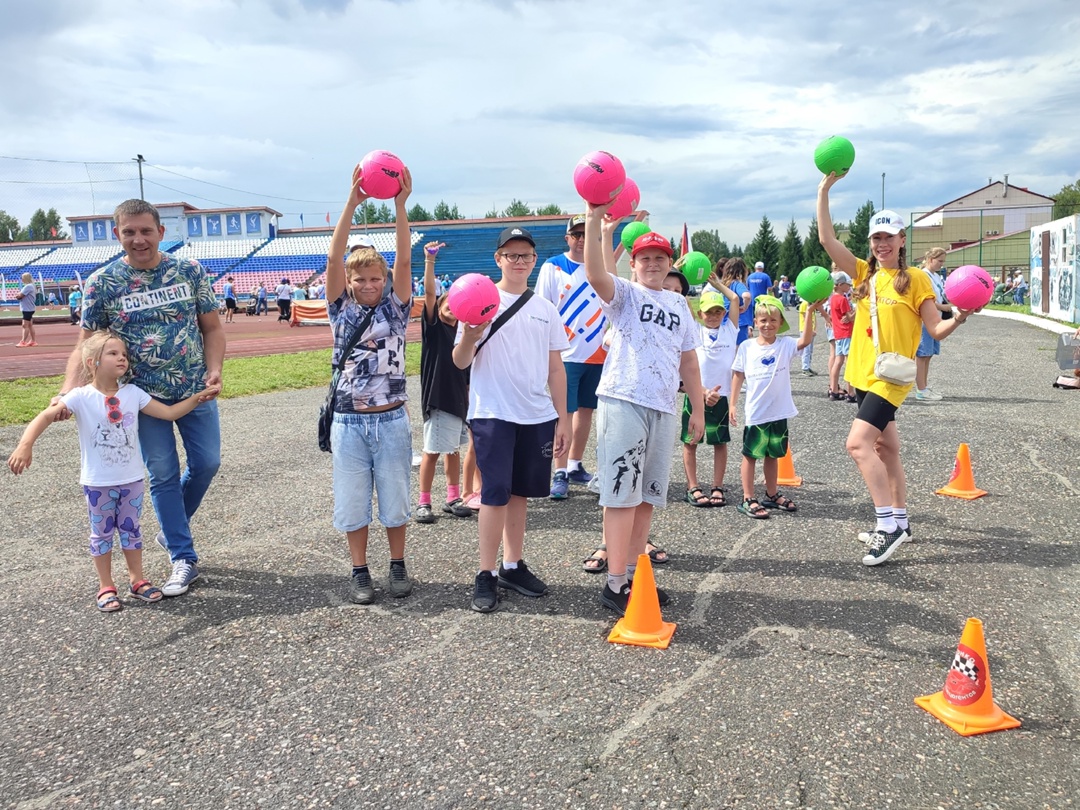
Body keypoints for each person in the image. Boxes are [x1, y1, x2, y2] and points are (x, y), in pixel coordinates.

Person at [56, 198, 225, 597]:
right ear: (117, 234)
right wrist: (67, 391)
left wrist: (215, 367)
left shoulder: (190, 271)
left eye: (146, 231)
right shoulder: (102, 283)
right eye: (129, 231)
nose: (138, 239)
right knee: (163, 474)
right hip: (140, 401)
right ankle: (184, 557)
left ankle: (172, 529)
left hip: (194, 391)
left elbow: (212, 329)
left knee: (207, 463)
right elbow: (86, 346)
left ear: (161, 233)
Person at [817, 172, 973, 566]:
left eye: (889, 237)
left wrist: (959, 318)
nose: (881, 244)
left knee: (857, 444)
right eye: (876, 238)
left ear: (903, 239)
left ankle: (885, 526)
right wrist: (823, 190)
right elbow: (826, 240)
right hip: (863, 375)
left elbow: (935, 327)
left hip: (891, 378)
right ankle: (901, 521)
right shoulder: (864, 275)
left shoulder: (916, 279)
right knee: (887, 448)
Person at [8, 332, 220, 612]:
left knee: (132, 531)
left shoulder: (133, 393)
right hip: (98, 483)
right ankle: (106, 585)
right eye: (113, 354)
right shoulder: (80, 396)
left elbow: (168, 414)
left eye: (124, 354)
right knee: (102, 534)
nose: (122, 358)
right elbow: (46, 416)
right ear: (92, 361)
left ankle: (137, 580)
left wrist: (197, 398)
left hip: (131, 480)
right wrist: (25, 445)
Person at [581, 205, 704, 616]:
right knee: (620, 497)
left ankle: (634, 574)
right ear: (633, 265)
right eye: (645, 258)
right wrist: (597, 222)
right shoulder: (626, 295)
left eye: (660, 258)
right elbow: (595, 274)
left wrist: (697, 409)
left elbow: (689, 360)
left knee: (647, 496)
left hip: (664, 407)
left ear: (670, 263)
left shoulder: (680, 305)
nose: (653, 264)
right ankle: (614, 582)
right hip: (624, 400)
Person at [452, 226, 569, 613]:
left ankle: (512, 565)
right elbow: (461, 361)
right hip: (493, 413)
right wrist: (470, 335)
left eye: (526, 256)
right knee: (494, 494)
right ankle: (485, 573)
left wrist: (563, 418)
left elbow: (556, 368)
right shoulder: (479, 301)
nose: (519, 262)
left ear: (535, 261)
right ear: (498, 259)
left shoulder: (545, 309)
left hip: (536, 413)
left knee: (520, 494)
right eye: (511, 255)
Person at [326, 163, 415, 605]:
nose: (368, 284)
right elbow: (332, 257)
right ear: (348, 281)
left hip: (391, 418)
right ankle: (360, 570)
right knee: (352, 499)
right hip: (348, 421)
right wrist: (352, 203)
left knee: (396, 498)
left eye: (375, 278)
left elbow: (404, 257)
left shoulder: (397, 309)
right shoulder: (339, 308)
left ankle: (397, 564)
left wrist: (400, 206)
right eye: (359, 279)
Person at [535, 214, 607, 500]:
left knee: (586, 411)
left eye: (586, 234)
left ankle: (575, 464)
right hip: (565, 354)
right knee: (563, 414)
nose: (581, 240)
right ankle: (559, 470)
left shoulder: (599, 267)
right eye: (576, 235)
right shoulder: (553, 267)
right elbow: (543, 308)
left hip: (598, 353)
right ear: (567, 238)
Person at [729, 295, 819, 519]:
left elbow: (805, 340)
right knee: (750, 456)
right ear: (755, 323)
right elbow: (738, 375)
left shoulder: (786, 345)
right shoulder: (747, 347)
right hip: (756, 413)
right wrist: (732, 403)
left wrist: (808, 313)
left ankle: (771, 493)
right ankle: (748, 497)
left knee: (773, 455)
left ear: (780, 323)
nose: (767, 325)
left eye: (772, 320)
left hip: (778, 412)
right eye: (762, 321)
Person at [415, 239, 473, 524]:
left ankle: (452, 497)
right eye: (445, 304)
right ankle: (423, 501)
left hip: (457, 401)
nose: (450, 308)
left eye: (456, 305)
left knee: (452, 450)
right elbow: (428, 293)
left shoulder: (463, 335)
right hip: (438, 398)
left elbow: (467, 371)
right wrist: (430, 261)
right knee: (432, 452)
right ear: (437, 308)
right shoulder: (435, 329)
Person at [681, 284, 740, 508]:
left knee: (719, 442)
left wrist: (716, 284)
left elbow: (734, 298)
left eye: (718, 312)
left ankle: (717, 485)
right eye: (708, 312)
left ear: (724, 314)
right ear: (699, 314)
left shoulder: (730, 329)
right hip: (696, 395)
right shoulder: (694, 330)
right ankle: (692, 485)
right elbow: (682, 300)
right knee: (691, 441)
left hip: (721, 397)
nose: (713, 316)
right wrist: (678, 277)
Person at [915, 248, 952, 401]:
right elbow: (924, 299)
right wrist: (942, 307)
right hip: (925, 319)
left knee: (928, 354)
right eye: (939, 261)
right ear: (930, 259)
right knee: (922, 354)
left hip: (936, 318)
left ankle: (924, 386)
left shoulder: (936, 276)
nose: (941, 265)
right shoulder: (923, 275)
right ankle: (920, 389)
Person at [827, 271, 856, 402]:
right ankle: (851, 392)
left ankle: (833, 390)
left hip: (838, 333)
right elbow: (849, 317)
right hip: (846, 332)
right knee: (849, 363)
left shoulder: (833, 298)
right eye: (847, 285)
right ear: (839, 285)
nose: (849, 287)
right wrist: (857, 310)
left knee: (838, 361)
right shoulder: (842, 299)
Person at [718, 258, 753, 344]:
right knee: (739, 350)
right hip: (739, 323)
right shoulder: (737, 284)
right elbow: (747, 296)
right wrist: (745, 306)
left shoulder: (724, 285)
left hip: (724, 322)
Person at [15, 272, 37, 347]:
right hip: (29, 308)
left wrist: (18, 295)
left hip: (27, 308)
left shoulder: (28, 286)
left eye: (22, 278)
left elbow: (20, 295)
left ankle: (23, 341)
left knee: (25, 325)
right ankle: (33, 341)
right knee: (30, 325)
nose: (21, 279)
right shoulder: (31, 286)